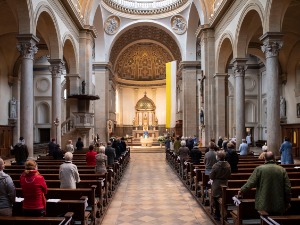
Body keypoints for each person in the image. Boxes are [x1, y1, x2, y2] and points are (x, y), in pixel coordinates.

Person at [210, 150, 231, 221]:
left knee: (216, 198)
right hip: (225, 182)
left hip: (217, 184)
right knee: (224, 197)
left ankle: (217, 214)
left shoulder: (215, 166)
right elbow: (229, 174)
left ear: (218, 157)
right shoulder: (228, 165)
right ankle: (224, 213)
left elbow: (211, 176)